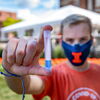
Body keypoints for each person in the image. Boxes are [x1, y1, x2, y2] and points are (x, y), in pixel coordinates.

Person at [2, 14, 100, 100]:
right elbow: (27, 86)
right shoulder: (52, 73)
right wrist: (14, 73)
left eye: (82, 39)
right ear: (61, 41)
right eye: (70, 40)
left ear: (91, 40)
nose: (76, 45)